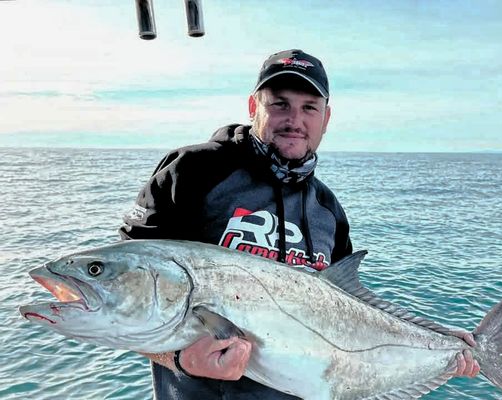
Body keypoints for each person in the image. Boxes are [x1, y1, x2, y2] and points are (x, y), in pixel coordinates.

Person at [119, 49, 479, 400]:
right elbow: (123, 299)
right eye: (280, 104)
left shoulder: (328, 209)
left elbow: (352, 314)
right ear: (253, 107)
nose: (295, 119)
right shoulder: (193, 171)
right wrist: (179, 360)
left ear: (326, 118)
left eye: (309, 107)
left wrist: (438, 344)